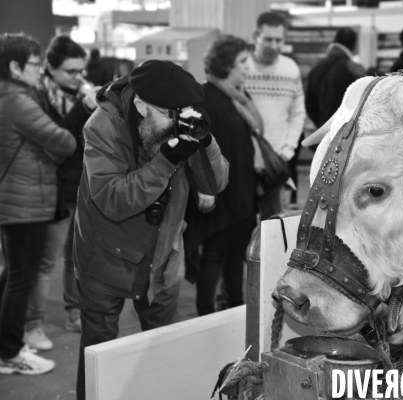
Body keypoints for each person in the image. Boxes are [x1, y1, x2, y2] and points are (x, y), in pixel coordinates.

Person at [73, 59, 228, 400]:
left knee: (165, 350)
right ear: (141, 105)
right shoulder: (102, 126)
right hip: (104, 258)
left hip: (162, 257)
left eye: (186, 111)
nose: (179, 121)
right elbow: (112, 199)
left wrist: (205, 141)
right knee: (98, 353)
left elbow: (216, 183)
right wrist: (167, 161)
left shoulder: (175, 123)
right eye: (169, 113)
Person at [0, 33, 76, 375]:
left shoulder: (9, 97)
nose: (40, 69)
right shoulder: (18, 101)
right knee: (20, 279)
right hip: (24, 201)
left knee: (13, 275)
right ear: (14, 67)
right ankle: (10, 354)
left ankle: (3, 346)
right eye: (34, 63)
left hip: (19, 199)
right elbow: (66, 141)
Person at [24, 35, 99, 352]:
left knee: (75, 259)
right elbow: (61, 143)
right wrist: (84, 108)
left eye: (81, 70)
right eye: (70, 71)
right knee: (43, 263)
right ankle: (32, 324)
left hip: (81, 187)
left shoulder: (81, 94)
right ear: (50, 69)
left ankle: (73, 312)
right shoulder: (37, 98)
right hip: (50, 189)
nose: (78, 77)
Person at [184, 35, 259, 315]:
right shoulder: (203, 98)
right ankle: (205, 317)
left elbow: (255, 133)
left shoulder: (237, 98)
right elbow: (194, 151)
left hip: (241, 195)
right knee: (213, 257)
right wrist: (204, 188)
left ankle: (236, 313)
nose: (247, 68)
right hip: (218, 195)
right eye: (242, 62)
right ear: (225, 64)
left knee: (234, 257)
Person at [245, 11, 305, 219]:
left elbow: (298, 114)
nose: (273, 45)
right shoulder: (242, 67)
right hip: (244, 160)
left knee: (273, 230)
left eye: (278, 40)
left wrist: (287, 151)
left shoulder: (290, 69)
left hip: (277, 162)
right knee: (241, 227)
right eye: (268, 39)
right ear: (256, 37)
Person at [305, 27, 366, 129]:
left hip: (323, 134)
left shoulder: (317, 67)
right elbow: (364, 104)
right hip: (348, 136)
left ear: (335, 40)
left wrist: (322, 125)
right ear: (354, 45)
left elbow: (309, 104)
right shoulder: (354, 69)